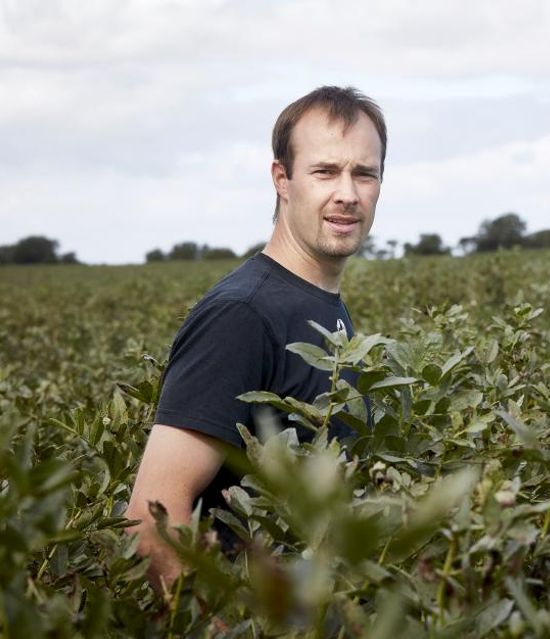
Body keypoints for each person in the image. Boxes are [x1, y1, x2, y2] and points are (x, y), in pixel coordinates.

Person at [125, 86, 386, 593]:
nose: (348, 194)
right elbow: (151, 515)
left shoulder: (321, 304)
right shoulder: (243, 314)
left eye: (365, 173)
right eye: (325, 171)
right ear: (281, 179)